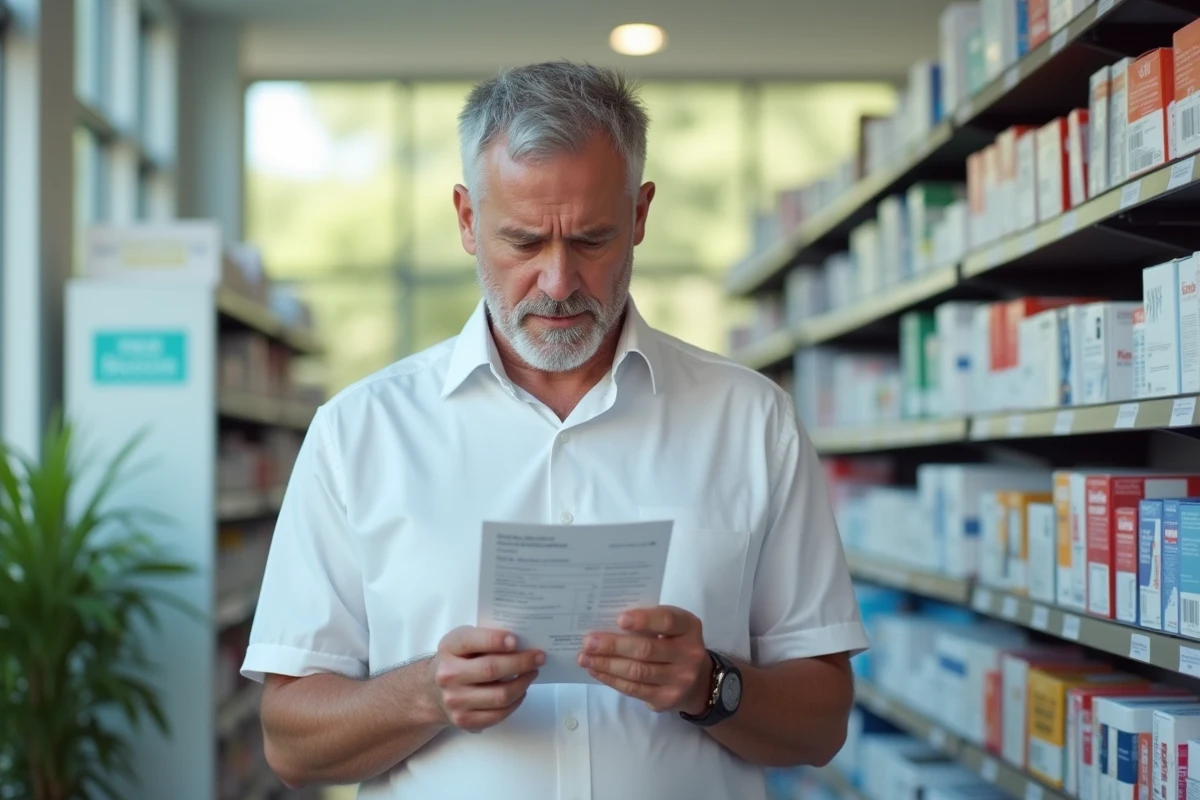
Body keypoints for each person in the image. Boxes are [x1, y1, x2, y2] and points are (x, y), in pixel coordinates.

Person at [243, 60, 868, 800]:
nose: (559, 282)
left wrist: (709, 684)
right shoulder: (359, 434)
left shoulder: (752, 421)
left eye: (593, 240)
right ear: (467, 220)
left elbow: (822, 726)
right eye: (524, 241)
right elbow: (290, 744)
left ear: (640, 215)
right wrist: (424, 695)